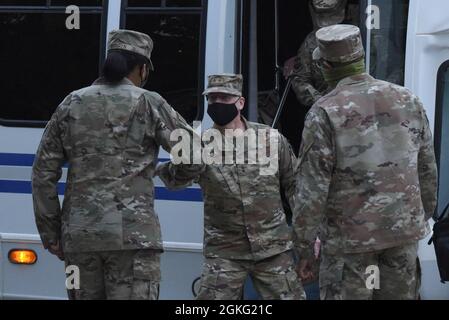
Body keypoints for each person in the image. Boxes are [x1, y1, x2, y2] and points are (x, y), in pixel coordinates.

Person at [31, 29, 204, 300]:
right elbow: (195, 155)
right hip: (134, 240)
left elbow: (43, 174)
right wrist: (171, 177)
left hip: (79, 239)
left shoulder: (71, 103)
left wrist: (50, 232)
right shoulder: (149, 102)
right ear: (142, 69)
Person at [294, 24, 438, 300]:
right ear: (361, 57)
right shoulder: (408, 99)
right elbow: (427, 169)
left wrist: (303, 249)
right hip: (402, 237)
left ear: (326, 66)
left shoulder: (324, 111)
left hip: (349, 245)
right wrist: (418, 218)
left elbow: (311, 191)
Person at [157, 74, 306, 300]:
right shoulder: (200, 144)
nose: (217, 104)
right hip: (225, 251)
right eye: (212, 99)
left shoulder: (270, 139)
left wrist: (307, 233)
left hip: (272, 248)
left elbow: (295, 185)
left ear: (240, 102)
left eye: (224, 98)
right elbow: (174, 182)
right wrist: (187, 162)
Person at [290, 0, 348, 109]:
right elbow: (300, 78)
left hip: (360, 107)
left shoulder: (360, 36)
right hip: (326, 110)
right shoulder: (312, 41)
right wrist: (320, 101)